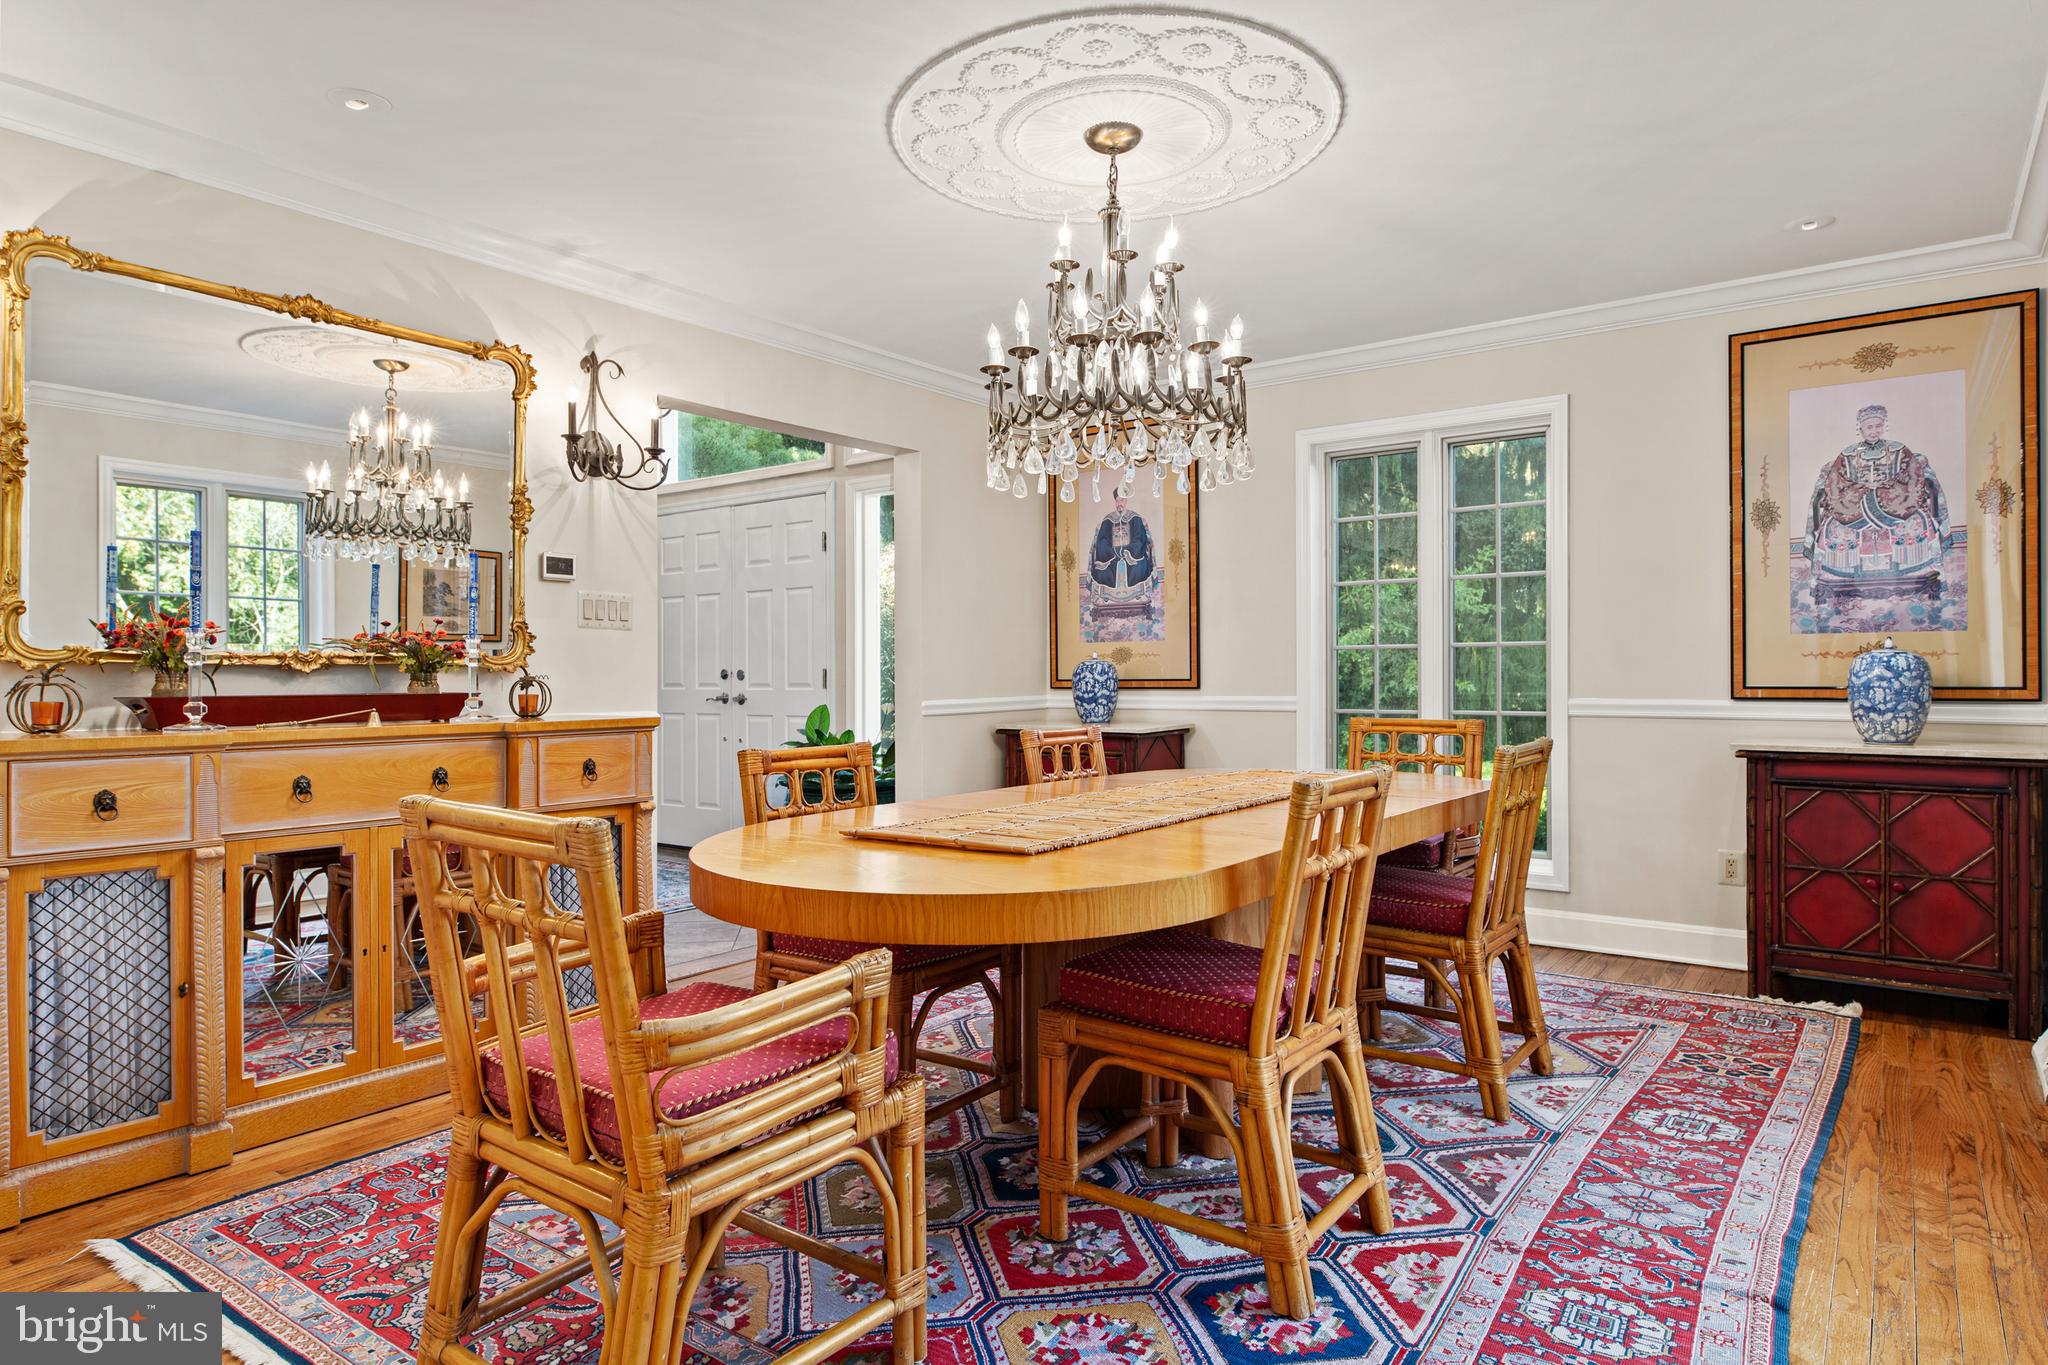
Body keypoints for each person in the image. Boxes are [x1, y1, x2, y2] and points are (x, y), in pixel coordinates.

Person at [1803, 404, 1950, 605]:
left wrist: (1884, 489)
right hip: (1854, 502)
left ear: (1884, 426)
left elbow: (1912, 476)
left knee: (1920, 519)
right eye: (1869, 427)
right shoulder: (1847, 454)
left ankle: (1926, 578)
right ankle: (1830, 582)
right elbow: (1836, 482)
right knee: (1831, 525)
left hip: (1895, 499)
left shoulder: (1899, 450)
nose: (1874, 431)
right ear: (1860, 428)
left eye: (1878, 426)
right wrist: (1862, 490)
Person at [1089, 489, 1154, 590]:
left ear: (1126, 500)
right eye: (1117, 501)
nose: (1119, 504)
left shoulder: (1135, 518)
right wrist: (1113, 552)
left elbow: (1139, 539)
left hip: (1132, 556)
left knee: (1140, 567)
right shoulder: (1107, 520)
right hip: (1111, 557)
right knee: (1101, 572)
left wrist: (1128, 551)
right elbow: (1102, 541)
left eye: (1122, 500)